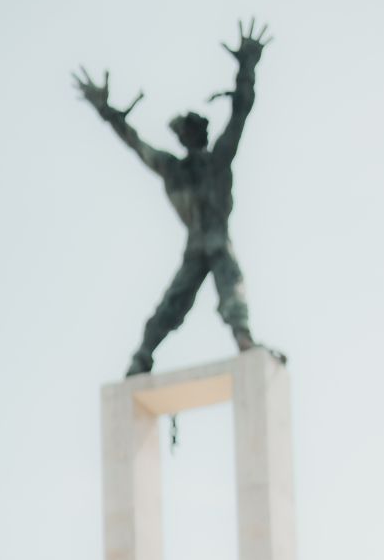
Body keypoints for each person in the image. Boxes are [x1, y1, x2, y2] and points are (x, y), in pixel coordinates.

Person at [73, 19, 278, 375]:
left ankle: (236, 340)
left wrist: (247, 69)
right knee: (177, 301)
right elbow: (135, 142)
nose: (187, 137)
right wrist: (106, 112)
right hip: (199, 244)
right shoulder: (174, 169)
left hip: (215, 240)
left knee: (227, 290)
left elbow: (240, 113)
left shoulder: (216, 161)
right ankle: (143, 355)